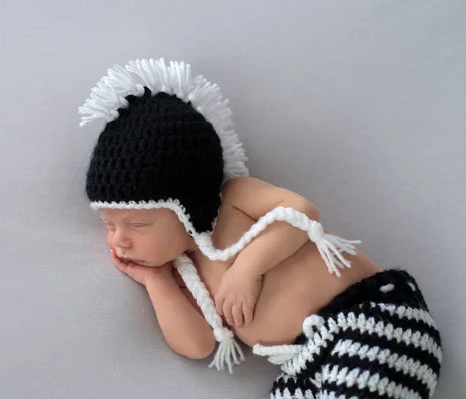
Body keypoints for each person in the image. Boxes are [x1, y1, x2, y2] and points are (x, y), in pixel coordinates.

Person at [79, 58, 442, 398]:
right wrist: (156, 282)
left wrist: (246, 271)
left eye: (137, 224)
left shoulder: (233, 199)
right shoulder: (183, 274)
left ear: (187, 205)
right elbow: (197, 345)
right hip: (302, 362)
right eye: (109, 225)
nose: (119, 239)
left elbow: (300, 213)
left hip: (371, 321)